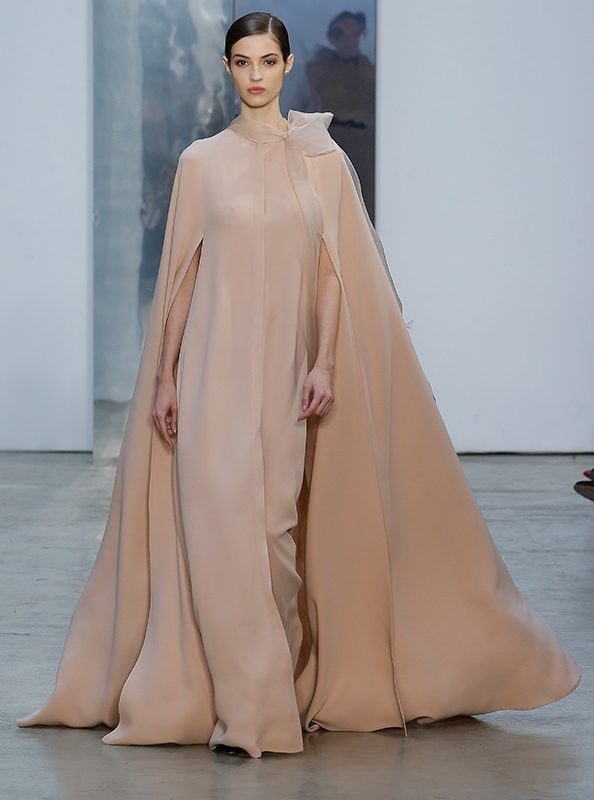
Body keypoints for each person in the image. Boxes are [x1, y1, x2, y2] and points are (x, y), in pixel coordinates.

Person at [17, 11, 581, 759]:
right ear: (228, 68)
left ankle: (270, 688)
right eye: (242, 61)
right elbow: (181, 276)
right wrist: (164, 378)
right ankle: (251, 719)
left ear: (287, 66)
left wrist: (325, 365)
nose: (255, 75)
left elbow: (331, 272)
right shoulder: (200, 163)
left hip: (289, 375)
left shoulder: (323, 161)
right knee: (218, 525)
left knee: (274, 533)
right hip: (210, 372)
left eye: (267, 61)